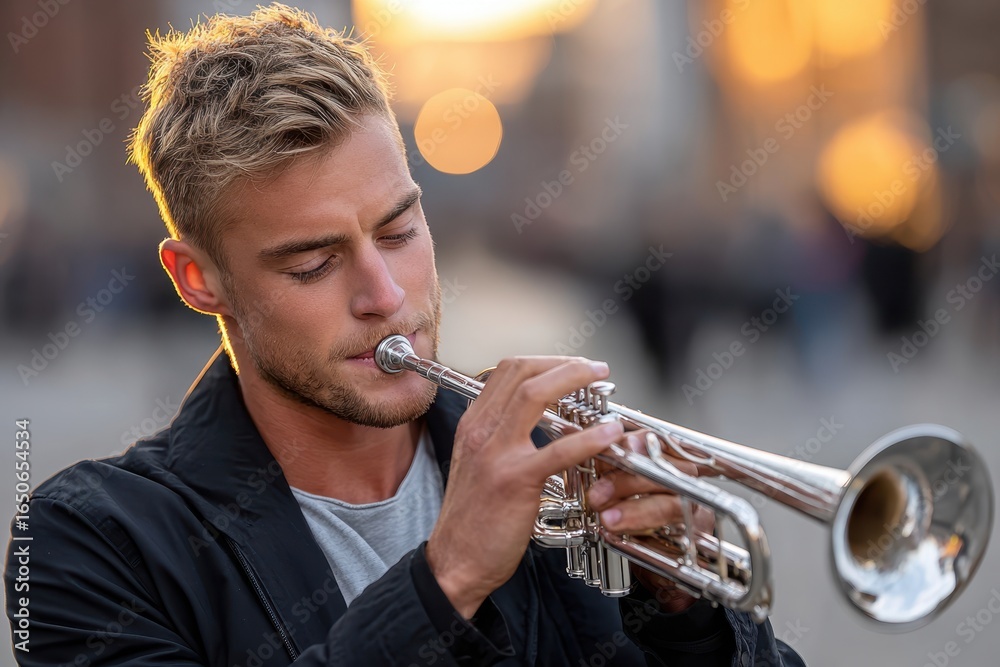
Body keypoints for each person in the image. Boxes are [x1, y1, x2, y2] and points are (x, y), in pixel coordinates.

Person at [4, 5, 805, 665]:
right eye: (314, 263)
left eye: (398, 231)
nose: (386, 297)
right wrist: (444, 577)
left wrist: (686, 616)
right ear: (197, 279)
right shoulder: (90, 541)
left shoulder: (551, 479)